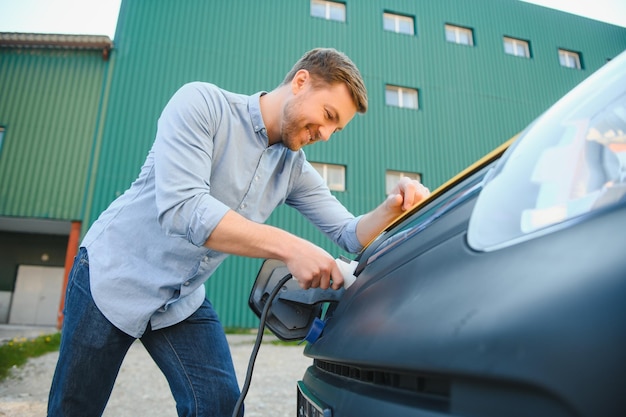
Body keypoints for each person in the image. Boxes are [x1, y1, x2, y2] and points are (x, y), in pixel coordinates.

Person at [47, 47, 430, 417]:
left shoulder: (294, 169)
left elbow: (349, 233)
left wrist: (391, 206)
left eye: (337, 127)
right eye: (328, 115)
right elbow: (184, 208)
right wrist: (288, 247)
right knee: (74, 409)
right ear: (301, 82)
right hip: (114, 274)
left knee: (220, 406)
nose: (327, 133)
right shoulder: (202, 104)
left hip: (180, 300)